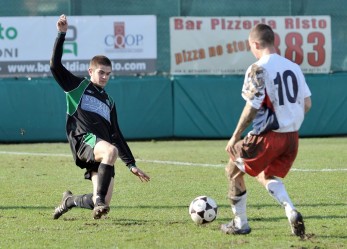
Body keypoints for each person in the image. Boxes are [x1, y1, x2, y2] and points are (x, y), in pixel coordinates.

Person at [50, 14, 150, 220]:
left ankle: (69, 201)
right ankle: (99, 202)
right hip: (84, 141)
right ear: (90, 71)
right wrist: (61, 34)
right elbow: (55, 65)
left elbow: (116, 134)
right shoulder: (78, 86)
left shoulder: (109, 101)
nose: (105, 77)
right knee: (110, 151)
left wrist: (131, 164)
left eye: (108, 73)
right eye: (101, 72)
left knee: (100, 199)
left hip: (102, 151)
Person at [221, 23, 312, 237]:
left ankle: (240, 223)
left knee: (232, 171)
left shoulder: (258, 68)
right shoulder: (293, 67)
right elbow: (307, 104)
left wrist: (235, 137)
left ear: (255, 44)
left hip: (268, 136)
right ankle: (291, 211)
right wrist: (290, 121)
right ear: (273, 41)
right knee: (266, 174)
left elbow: (252, 106)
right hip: (292, 137)